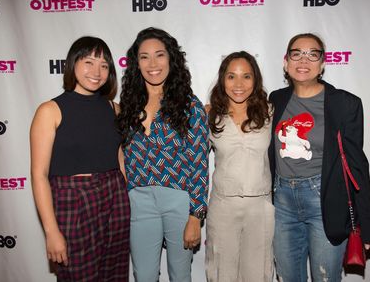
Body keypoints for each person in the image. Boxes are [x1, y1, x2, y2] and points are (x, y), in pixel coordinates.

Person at [268, 33, 370, 282]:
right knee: (287, 277)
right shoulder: (276, 99)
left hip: (325, 200)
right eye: (296, 53)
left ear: (323, 63)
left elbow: (356, 166)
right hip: (282, 201)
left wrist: (368, 224)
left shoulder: (345, 104)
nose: (303, 60)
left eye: (312, 54)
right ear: (286, 62)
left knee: (326, 277)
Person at [30, 36, 130, 281]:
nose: (97, 71)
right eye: (88, 62)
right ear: (73, 64)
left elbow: (120, 158)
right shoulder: (49, 110)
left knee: (114, 276)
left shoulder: (114, 109)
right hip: (73, 202)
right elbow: (39, 175)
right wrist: (51, 231)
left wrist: (126, 194)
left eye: (104, 65)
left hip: (115, 198)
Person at [117, 27, 209, 282]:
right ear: (136, 63)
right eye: (144, 57)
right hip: (139, 201)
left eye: (159, 55)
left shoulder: (190, 106)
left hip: (179, 200)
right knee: (143, 275)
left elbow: (199, 163)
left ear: (171, 59)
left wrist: (195, 215)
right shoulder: (128, 105)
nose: (153, 63)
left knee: (180, 275)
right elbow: (121, 154)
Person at [205, 51, 275, 282]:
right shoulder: (210, 115)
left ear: (255, 80)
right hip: (223, 206)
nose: (238, 84)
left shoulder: (270, 112)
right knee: (221, 274)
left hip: (261, 206)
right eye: (231, 76)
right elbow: (192, 160)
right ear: (222, 79)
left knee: (259, 274)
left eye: (246, 76)